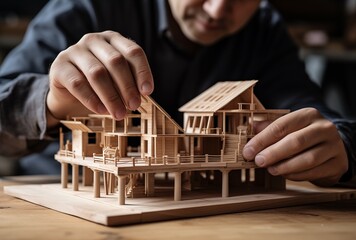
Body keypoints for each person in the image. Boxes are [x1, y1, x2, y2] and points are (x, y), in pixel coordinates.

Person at [0, 0, 355, 186]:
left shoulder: (264, 29)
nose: (218, 9)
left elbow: (318, 120)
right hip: (70, 197)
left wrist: (340, 149)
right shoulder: (88, 6)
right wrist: (51, 104)